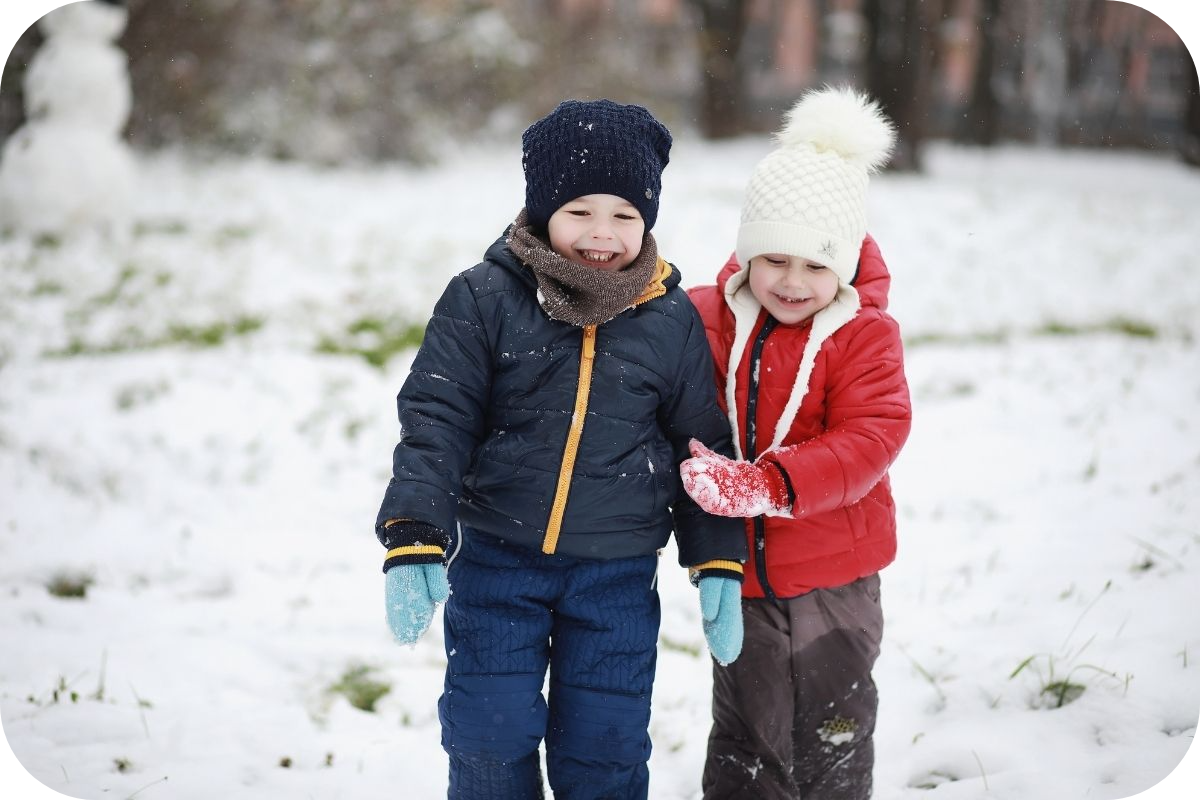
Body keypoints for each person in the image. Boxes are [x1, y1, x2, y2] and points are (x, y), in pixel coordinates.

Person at [375, 98, 748, 800]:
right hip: (497, 562)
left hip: (615, 575)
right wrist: (415, 533)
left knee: (604, 747)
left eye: (624, 215)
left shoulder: (669, 318)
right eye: (580, 211)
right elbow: (437, 416)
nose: (602, 235)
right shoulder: (484, 298)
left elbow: (702, 445)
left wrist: (717, 557)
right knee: (488, 731)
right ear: (542, 208)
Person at [679, 86, 912, 800]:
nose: (793, 282)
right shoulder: (704, 319)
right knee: (748, 730)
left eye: (817, 265)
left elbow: (875, 434)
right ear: (747, 251)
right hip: (739, 575)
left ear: (843, 266)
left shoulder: (864, 334)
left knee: (832, 726)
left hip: (837, 573)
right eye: (775, 259)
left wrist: (773, 485)